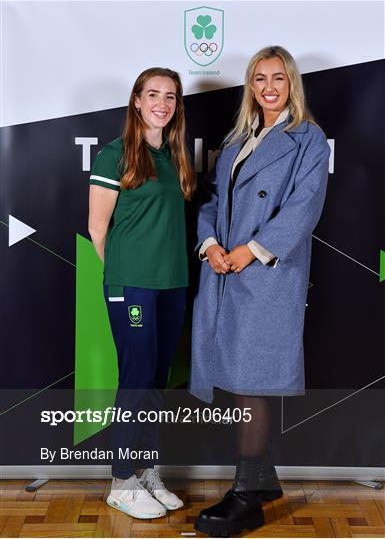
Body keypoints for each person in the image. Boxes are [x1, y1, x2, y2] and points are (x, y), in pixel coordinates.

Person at [191, 45, 330, 536]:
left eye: (278, 78)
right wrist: (210, 245)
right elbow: (211, 200)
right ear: (250, 87)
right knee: (236, 375)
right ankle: (264, 478)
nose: (269, 88)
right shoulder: (237, 140)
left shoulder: (308, 140)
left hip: (268, 273)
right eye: (259, 79)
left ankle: (246, 495)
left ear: (292, 83)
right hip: (224, 270)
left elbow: (303, 209)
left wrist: (251, 250)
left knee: (253, 380)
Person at [88, 67, 195, 520]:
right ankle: (121, 480)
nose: (162, 103)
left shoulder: (174, 156)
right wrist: (125, 273)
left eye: (170, 96)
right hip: (133, 284)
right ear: (136, 100)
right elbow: (97, 227)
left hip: (173, 283)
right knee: (135, 382)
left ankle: (147, 469)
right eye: (153, 94)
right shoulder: (114, 156)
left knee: (155, 382)